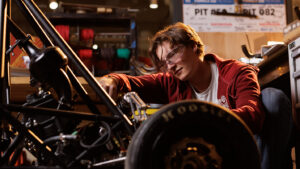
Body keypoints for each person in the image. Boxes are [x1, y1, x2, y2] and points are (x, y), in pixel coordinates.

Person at [98, 22, 292, 169]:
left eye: (173, 54)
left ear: (194, 46)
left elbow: (253, 115)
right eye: (164, 62)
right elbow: (133, 82)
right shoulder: (170, 81)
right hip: (204, 157)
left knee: (273, 98)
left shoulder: (236, 72)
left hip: (243, 153)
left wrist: (203, 118)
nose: (170, 65)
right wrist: (111, 79)